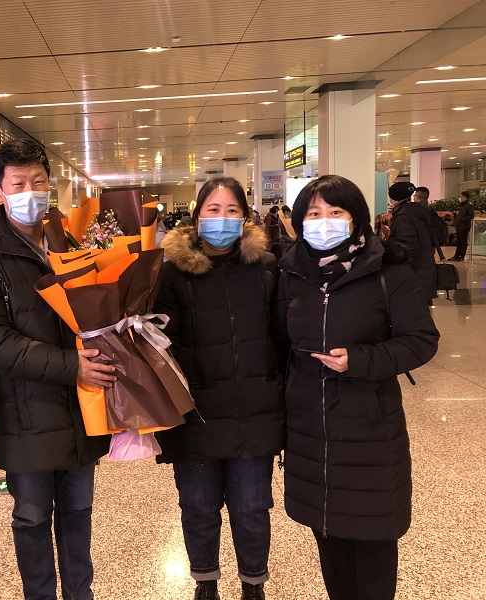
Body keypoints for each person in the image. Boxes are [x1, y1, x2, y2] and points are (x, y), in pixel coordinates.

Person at [0, 138, 112, 600]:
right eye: (19, 183)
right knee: (31, 519)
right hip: (25, 414)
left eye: (39, 181)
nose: (31, 192)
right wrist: (71, 365)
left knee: (79, 514)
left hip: (81, 411)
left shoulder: (73, 243)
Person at [278, 175, 439, 600]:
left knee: (372, 544)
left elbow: (421, 340)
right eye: (314, 213)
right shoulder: (291, 273)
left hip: (368, 426)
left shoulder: (387, 271)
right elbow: (279, 344)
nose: (323, 221)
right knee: (328, 540)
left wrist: (361, 360)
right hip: (310, 429)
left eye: (335, 212)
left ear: (356, 219)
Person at [153, 177, 285, 600]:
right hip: (195, 412)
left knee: (252, 508)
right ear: (197, 218)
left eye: (232, 210)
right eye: (213, 209)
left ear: (245, 217)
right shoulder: (169, 273)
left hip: (254, 409)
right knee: (198, 508)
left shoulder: (266, 267)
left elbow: (282, 337)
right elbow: (161, 344)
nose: (222, 218)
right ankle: (205, 582)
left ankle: (253, 585)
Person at [388, 182, 437, 303]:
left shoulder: (403, 217)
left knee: (414, 309)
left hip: (415, 275)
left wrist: (400, 271)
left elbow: (410, 247)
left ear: (393, 199)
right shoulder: (417, 211)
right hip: (424, 270)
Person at [413, 187, 446, 260]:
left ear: (417, 197)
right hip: (430, 243)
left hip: (421, 242)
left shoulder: (417, 210)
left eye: (414, 196)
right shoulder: (430, 210)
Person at [450, 190, 475, 261]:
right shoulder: (462, 205)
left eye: (461, 196)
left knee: (463, 241)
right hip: (459, 226)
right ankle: (456, 255)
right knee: (459, 241)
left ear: (464, 196)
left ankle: (461, 256)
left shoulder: (469, 205)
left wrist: (462, 220)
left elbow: (471, 215)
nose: (460, 198)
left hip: (464, 226)